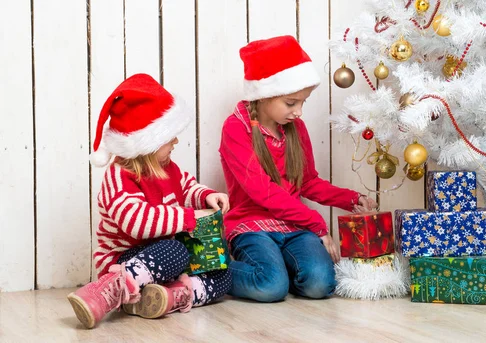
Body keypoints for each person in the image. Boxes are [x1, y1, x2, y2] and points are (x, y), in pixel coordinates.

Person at [219, 35, 377, 303]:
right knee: (270, 287)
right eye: (291, 103)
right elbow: (263, 192)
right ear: (264, 95)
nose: (299, 112)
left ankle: (281, 268)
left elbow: (308, 182)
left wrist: (350, 199)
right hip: (251, 226)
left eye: (303, 102)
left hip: (293, 226)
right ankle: (210, 273)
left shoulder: (295, 129)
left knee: (320, 285)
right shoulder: (236, 129)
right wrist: (317, 225)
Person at [67, 73, 232, 329]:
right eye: (169, 137)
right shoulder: (119, 176)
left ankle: (170, 295)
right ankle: (110, 289)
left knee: (223, 273)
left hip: (161, 257)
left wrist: (204, 195)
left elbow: (185, 186)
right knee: (176, 252)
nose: (176, 141)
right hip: (124, 259)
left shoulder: (165, 165)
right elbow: (137, 222)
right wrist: (189, 218)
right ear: (147, 142)